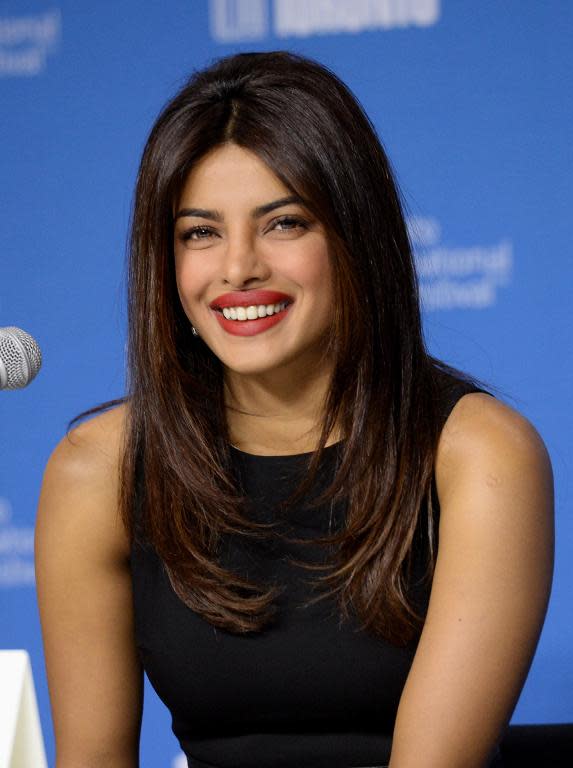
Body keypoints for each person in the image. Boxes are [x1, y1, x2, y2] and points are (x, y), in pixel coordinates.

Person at [35, 51, 554, 768]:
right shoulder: (98, 468)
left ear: (355, 239)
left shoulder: (477, 453)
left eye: (283, 223)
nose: (237, 267)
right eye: (199, 232)